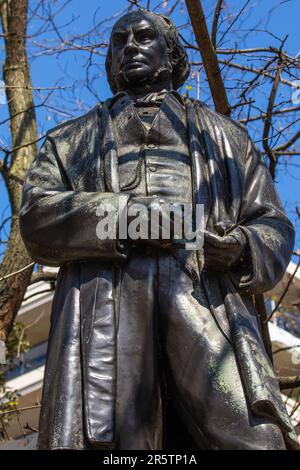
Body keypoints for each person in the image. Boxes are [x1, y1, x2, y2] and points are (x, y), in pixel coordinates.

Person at [19, 9, 299, 450]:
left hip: (202, 290)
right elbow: (37, 218)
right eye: (118, 41)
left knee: (254, 437)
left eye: (144, 37)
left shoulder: (229, 139)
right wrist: (132, 216)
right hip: (108, 294)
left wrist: (242, 246)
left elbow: (273, 223)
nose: (129, 46)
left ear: (171, 55)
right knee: (116, 439)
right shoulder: (68, 141)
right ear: (111, 62)